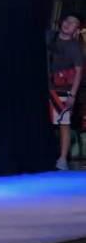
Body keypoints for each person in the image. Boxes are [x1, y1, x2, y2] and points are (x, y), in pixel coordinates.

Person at [46, 13, 83, 171]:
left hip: (63, 89)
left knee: (63, 123)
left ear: (76, 29)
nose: (68, 24)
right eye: (67, 20)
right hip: (45, 85)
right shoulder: (50, 36)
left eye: (73, 23)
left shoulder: (74, 47)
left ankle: (62, 158)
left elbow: (79, 72)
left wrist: (73, 95)